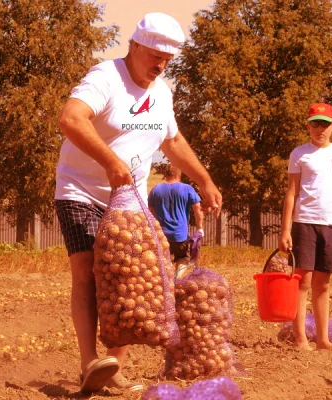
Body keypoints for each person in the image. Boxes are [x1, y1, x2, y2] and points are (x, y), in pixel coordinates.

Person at [55, 12, 222, 394]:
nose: (161, 66)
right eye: (154, 56)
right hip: (82, 191)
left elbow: (173, 142)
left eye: (168, 60)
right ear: (135, 46)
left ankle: (113, 366)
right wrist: (110, 162)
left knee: (131, 280)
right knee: (87, 273)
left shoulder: (162, 92)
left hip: (129, 201)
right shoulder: (105, 77)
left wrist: (205, 179)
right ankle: (88, 362)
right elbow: (70, 119)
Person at [279, 103, 332, 352]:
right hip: (304, 222)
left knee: (323, 284)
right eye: (315, 123)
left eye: (325, 124)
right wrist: (285, 230)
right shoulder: (299, 154)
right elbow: (291, 193)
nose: (319, 129)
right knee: (302, 281)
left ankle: (323, 339)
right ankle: (300, 338)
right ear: (308, 125)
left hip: (331, 224)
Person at [148, 164, 204, 277]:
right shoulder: (187, 189)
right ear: (179, 174)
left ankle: (165, 283)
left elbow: (150, 212)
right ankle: (176, 280)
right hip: (180, 234)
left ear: (165, 175)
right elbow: (198, 208)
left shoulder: (156, 190)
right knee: (183, 258)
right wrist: (200, 227)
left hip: (161, 234)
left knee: (163, 260)